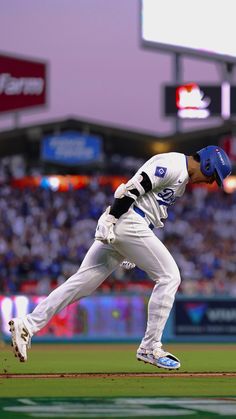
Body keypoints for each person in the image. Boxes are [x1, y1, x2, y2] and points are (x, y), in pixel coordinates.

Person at [9, 145, 232, 369]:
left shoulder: (181, 177)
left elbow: (148, 204)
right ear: (207, 164)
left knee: (81, 283)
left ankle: (28, 324)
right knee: (170, 276)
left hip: (132, 224)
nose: (210, 182)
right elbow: (133, 188)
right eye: (212, 176)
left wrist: (130, 245)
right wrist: (112, 219)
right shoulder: (173, 165)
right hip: (128, 220)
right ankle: (150, 347)